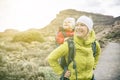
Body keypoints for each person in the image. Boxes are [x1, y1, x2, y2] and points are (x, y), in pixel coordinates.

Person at [47, 15, 101, 80]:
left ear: (89, 29)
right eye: (77, 25)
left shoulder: (94, 44)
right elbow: (51, 58)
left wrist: (94, 66)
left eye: (82, 25)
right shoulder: (69, 44)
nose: (78, 27)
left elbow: (98, 53)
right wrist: (61, 72)